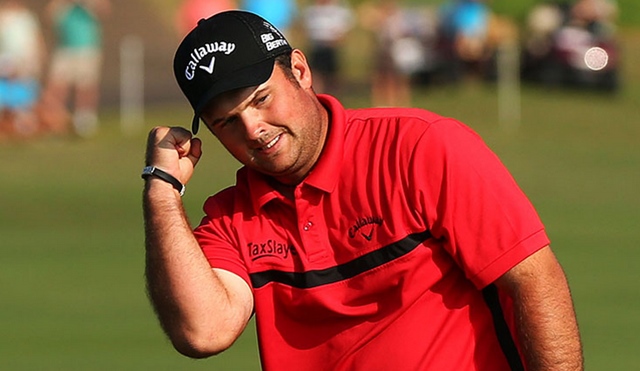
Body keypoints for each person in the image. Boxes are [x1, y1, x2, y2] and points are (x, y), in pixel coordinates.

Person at [142, 10, 583, 370]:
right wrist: (162, 190)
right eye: (226, 122)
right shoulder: (230, 218)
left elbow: (533, 279)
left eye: (260, 100)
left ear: (299, 69)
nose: (253, 130)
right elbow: (204, 332)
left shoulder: (419, 147)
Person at [42, 0, 110, 138]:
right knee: (56, 86)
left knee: (85, 86)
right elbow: (49, 17)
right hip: (64, 47)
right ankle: (55, 120)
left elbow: (104, 11)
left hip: (87, 48)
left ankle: (84, 121)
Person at [0, 0, 46, 139]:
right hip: (7, 60)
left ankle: (24, 122)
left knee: (26, 95)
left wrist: (39, 56)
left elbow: (36, 38)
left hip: (26, 62)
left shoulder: (27, 16)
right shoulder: (3, 16)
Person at [301, 0, 354, 96]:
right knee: (316, 75)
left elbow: (342, 31)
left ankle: (333, 97)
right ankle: (318, 97)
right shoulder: (312, 11)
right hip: (317, 46)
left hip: (331, 47)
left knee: (332, 76)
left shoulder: (338, 10)